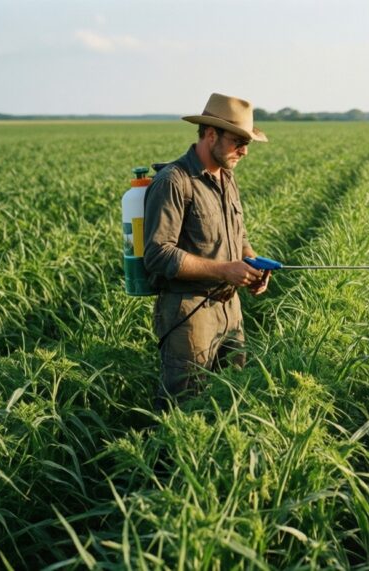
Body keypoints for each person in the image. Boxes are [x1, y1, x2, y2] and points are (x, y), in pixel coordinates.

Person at [143, 93, 270, 409]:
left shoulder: (227, 177)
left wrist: (251, 264)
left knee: (231, 399)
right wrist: (225, 270)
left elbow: (237, 237)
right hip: (189, 313)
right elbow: (158, 253)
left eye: (248, 143)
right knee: (186, 409)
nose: (243, 151)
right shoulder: (174, 181)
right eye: (237, 141)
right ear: (210, 134)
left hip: (230, 310)